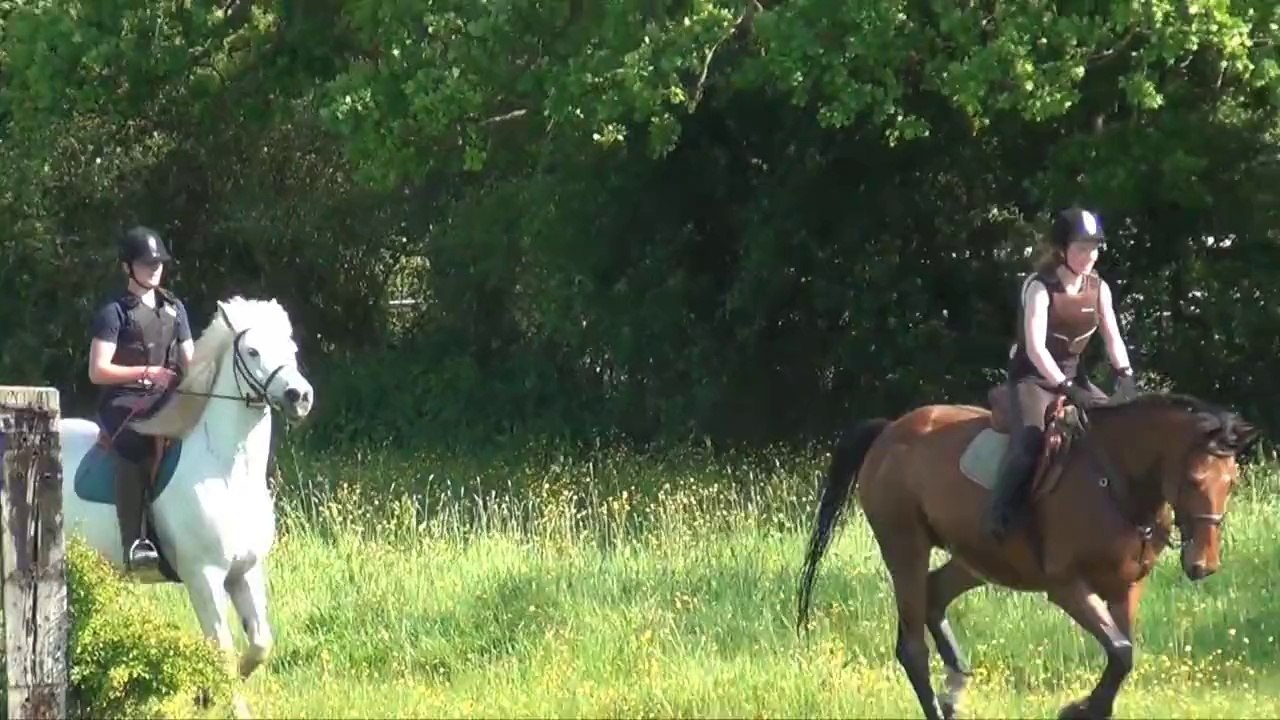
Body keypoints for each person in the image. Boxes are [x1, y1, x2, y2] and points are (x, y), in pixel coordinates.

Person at [984, 207, 1140, 542]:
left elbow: (1112, 337)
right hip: (1033, 378)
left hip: (1074, 377)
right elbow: (1036, 348)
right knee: (1029, 440)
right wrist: (1065, 387)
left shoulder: (1099, 288)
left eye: (1094, 248)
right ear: (1061, 249)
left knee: (1117, 428)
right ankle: (1001, 513)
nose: (1089, 256)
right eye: (1081, 248)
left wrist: (1125, 374)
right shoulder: (1040, 287)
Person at [87, 226, 195, 573]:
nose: (155, 268)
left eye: (159, 262)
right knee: (137, 441)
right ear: (127, 267)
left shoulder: (175, 308)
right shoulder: (113, 313)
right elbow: (98, 370)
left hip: (166, 396)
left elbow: (190, 360)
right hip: (124, 399)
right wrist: (146, 372)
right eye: (146, 263)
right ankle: (134, 542)